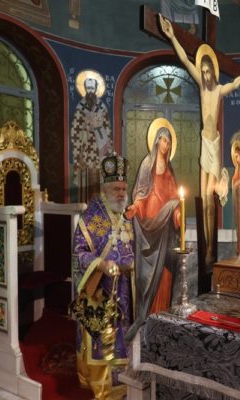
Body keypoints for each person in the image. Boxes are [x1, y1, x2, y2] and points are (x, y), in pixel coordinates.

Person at [160, 14, 240, 263]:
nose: (207, 74)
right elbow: (183, 59)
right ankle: (207, 247)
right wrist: (173, 36)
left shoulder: (219, 89)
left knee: (210, 199)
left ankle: (210, 247)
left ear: (215, 73)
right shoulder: (201, 85)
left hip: (215, 144)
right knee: (203, 197)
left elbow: (233, 86)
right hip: (204, 144)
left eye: (210, 71)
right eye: (204, 71)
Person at [71, 152, 134, 400]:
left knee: (122, 338)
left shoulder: (125, 217)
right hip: (100, 291)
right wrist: (101, 264)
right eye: (116, 188)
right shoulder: (91, 218)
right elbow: (79, 253)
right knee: (102, 341)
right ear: (105, 190)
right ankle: (101, 388)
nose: (121, 193)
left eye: (124, 188)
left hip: (124, 290)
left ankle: (123, 385)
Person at [124, 118, 181, 341]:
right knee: (148, 278)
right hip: (150, 230)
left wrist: (177, 212)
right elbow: (141, 195)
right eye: (164, 140)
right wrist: (134, 208)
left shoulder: (169, 171)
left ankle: (162, 318)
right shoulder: (147, 165)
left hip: (166, 229)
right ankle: (147, 319)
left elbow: (176, 196)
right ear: (157, 141)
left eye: (169, 142)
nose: (166, 145)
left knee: (165, 275)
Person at [71, 71, 112, 202]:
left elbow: (107, 128)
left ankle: (101, 205)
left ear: (96, 89)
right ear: (84, 89)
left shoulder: (102, 107)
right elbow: (75, 129)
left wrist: (98, 127)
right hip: (85, 148)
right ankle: (85, 205)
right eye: (88, 88)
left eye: (92, 88)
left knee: (100, 178)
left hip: (99, 147)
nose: (90, 91)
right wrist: (85, 127)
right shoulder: (80, 107)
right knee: (86, 179)